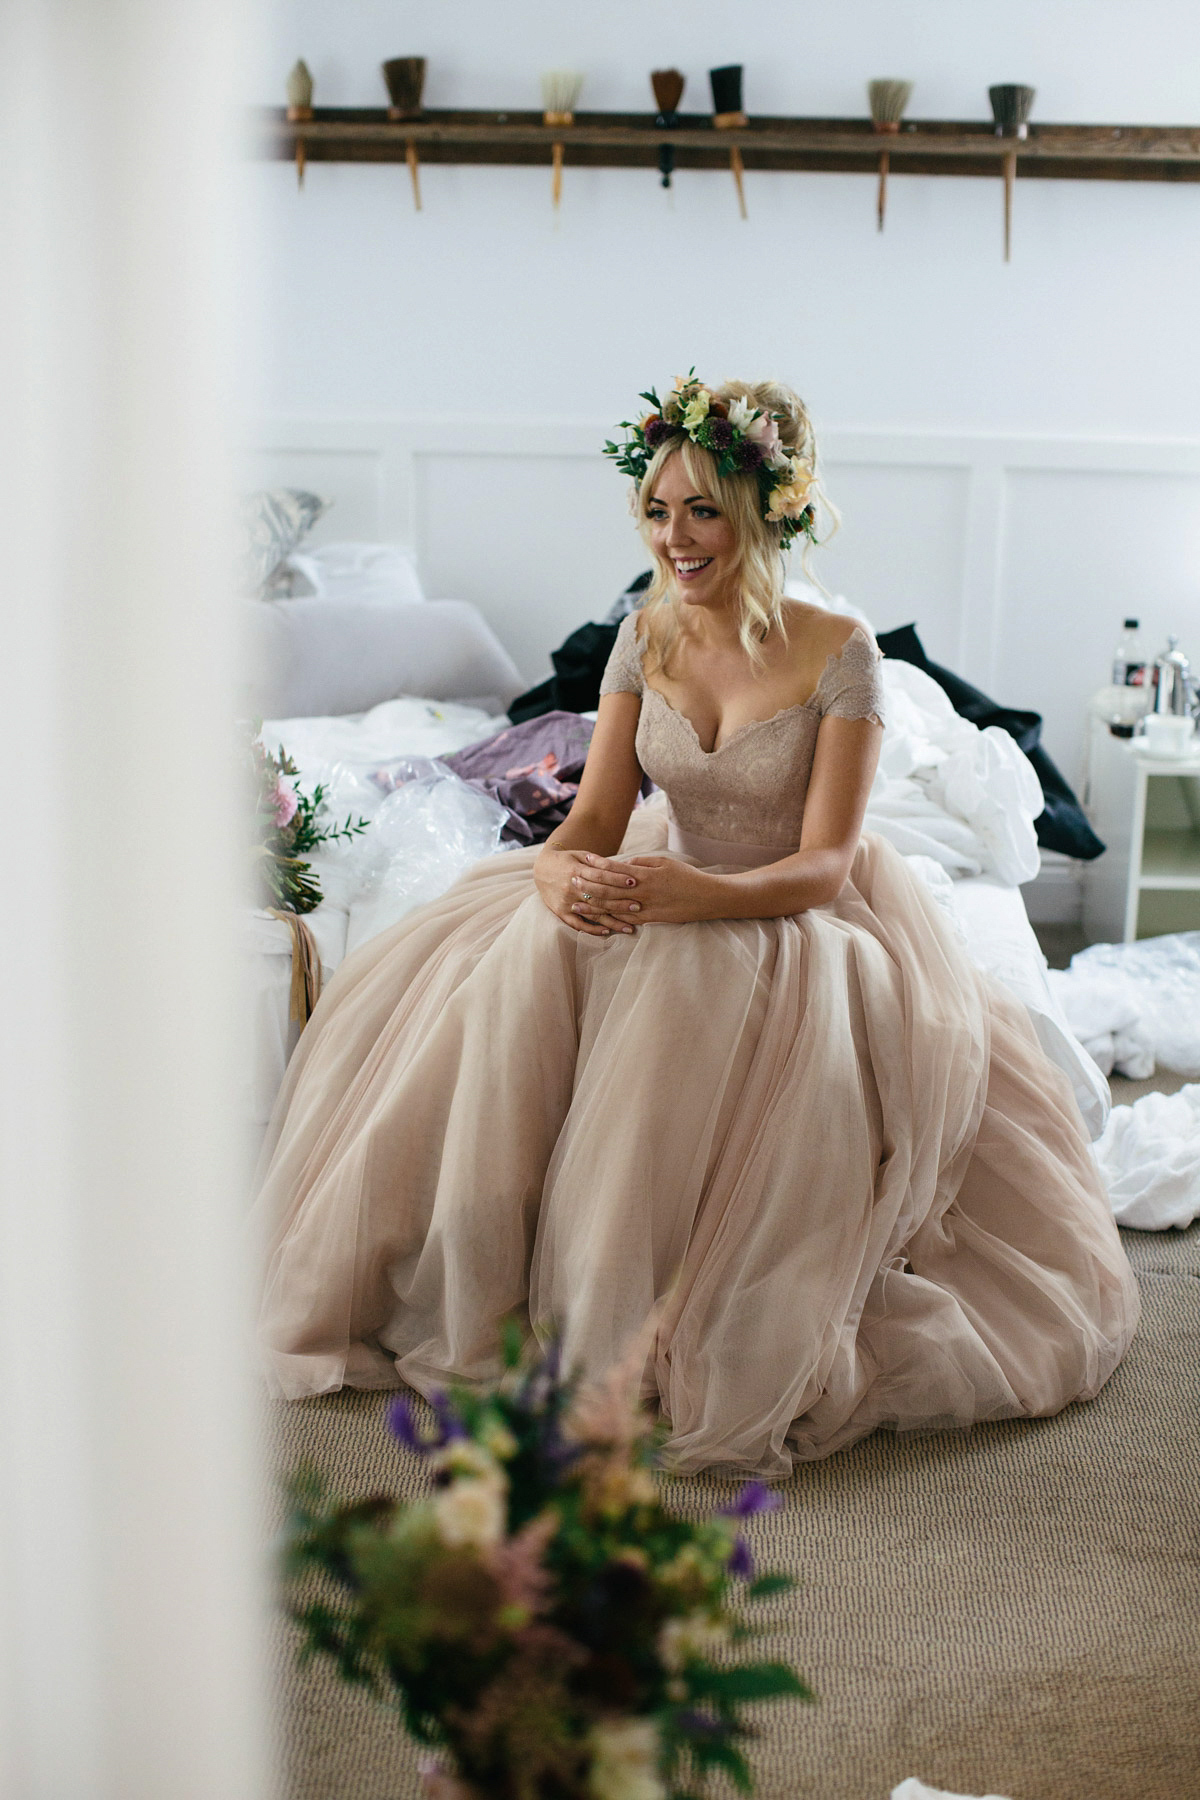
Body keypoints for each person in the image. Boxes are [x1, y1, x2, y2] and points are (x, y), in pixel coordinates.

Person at [255, 375, 1138, 1476]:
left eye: (703, 511)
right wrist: (558, 883)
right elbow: (590, 820)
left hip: (784, 909)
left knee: (683, 986)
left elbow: (821, 865)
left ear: (769, 512)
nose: (676, 538)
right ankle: (504, 1293)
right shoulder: (642, 637)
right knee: (514, 958)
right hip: (655, 877)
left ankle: (654, 1324)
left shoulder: (842, 654)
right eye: (659, 512)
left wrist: (691, 896)